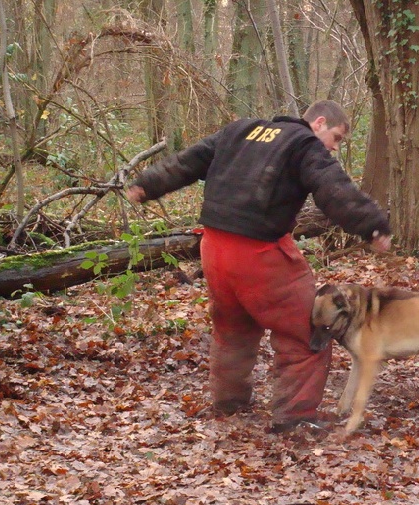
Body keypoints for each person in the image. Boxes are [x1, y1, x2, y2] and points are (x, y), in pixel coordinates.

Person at [126, 100, 391, 433]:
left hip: (213, 250)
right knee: (306, 334)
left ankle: (228, 404)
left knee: (233, 329)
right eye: (335, 138)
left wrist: (147, 183)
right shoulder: (303, 144)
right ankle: (295, 419)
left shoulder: (242, 129)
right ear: (319, 122)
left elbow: (188, 161)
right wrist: (373, 225)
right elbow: (333, 189)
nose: (334, 148)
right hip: (259, 255)